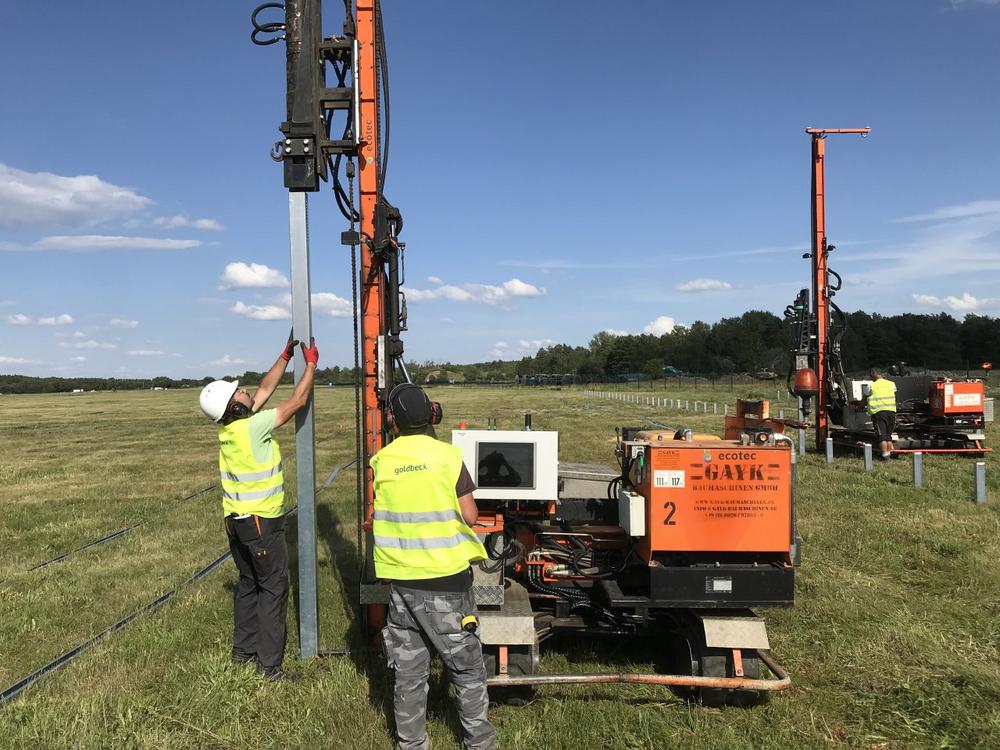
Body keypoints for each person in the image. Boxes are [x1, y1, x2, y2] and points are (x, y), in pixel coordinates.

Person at [371, 383, 497, 750]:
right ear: (433, 414)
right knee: (467, 670)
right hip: (448, 585)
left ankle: (411, 743)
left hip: (401, 585)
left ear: (391, 421)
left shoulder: (381, 461)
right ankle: (479, 744)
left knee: (409, 674)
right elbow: (470, 515)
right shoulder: (448, 457)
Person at [198, 334, 319, 681]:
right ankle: (270, 667)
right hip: (261, 523)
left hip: (236, 524)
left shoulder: (232, 429)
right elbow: (296, 401)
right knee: (273, 588)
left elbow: (265, 388)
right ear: (235, 406)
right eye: (239, 392)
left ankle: (242, 652)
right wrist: (310, 364)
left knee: (249, 583)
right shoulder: (254, 428)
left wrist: (284, 356)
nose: (246, 390)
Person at [866, 367, 897, 460]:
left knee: (881, 436)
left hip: (878, 413)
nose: (870, 378)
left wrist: (858, 405)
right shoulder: (891, 384)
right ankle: (890, 453)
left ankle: (885, 455)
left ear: (874, 375)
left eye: (871, 376)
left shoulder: (871, 385)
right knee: (888, 436)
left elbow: (865, 399)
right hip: (891, 411)